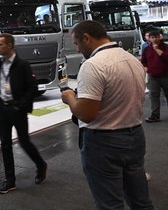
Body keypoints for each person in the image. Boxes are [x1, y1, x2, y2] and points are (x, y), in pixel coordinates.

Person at [61, 20, 154, 209]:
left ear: (87, 38)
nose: (78, 49)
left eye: (77, 43)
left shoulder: (93, 65)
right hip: (135, 135)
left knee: (110, 204)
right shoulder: (131, 60)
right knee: (141, 202)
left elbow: (86, 114)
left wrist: (70, 97)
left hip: (104, 142)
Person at [0, 33, 47, 194]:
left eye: (1, 44)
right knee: (5, 144)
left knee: (24, 142)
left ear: (10, 45)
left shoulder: (22, 64)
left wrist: (20, 105)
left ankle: (41, 165)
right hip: (2, 108)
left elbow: (32, 88)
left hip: (17, 109)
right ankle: (10, 181)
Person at [141, 29, 168, 123]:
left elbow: (166, 58)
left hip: (165, 75)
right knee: (154, 95)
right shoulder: (147, 49)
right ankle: (155, 115)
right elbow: (144, 61)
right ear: (149, 39)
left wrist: (157, 49)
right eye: (153, 37)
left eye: (156, 37)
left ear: (160, 37)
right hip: (153, 76)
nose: (155, 39)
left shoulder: (165, 47)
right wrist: (145, 68)